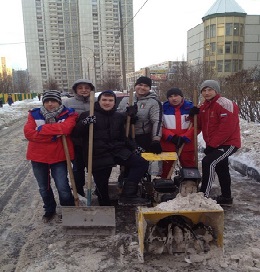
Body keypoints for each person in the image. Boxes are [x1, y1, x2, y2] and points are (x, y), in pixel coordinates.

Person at [72, 90, 150, 206]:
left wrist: (135, 147)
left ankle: (128, 194)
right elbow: (76, 134)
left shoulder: (118, 116)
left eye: (110, 100)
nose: (107, 103)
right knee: (102, 184)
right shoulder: (88, 115)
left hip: (116, 150)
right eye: (104, 100)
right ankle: (105, 205)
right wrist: (84, 123)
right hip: (97, 153)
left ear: (114, 103)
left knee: (141, 163)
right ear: (99, 101)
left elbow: (123, 137)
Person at [24, 90, 78, 222]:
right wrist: (54, 136)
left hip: (59, 156)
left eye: (53, 101)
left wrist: (41, 130)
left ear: (59, 101)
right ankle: (49, 209)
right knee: (43, 187)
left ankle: (68, 210)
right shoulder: (34, 114)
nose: (50, 104)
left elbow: (66, 128)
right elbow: (29, 133)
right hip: (38, 157)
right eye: (47, 101)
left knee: (63, 186)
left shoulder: (69, 113)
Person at [189, 80, 241, 205]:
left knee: (208, 162)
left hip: (228, 143)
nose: (206, 93)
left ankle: (204, 196)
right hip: (213, 143)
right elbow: (198, 125)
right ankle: (226, 198)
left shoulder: (225, 104)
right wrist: (192, 115)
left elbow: (227, 128)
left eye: (209, 90)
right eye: (204, 90)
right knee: (221, 168)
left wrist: (213, 144)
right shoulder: (203, 106)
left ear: (216, 90)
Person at [63, 79, 95, 197]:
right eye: (80, 88)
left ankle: (98, 189)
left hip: (94, 139)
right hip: (76, 140)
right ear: (76, 90)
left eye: (86, 88)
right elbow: (62, 117)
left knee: (95, 166)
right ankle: (79, 191)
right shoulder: (68, 102)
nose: (84, 90)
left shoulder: (96, 101)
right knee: (78, 168)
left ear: (91, 89)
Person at [118, 76, 163, 154]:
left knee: (141, 163)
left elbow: (157, 121)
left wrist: (156, 139)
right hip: (125, 136)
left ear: (149, 88)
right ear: (135, 86)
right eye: (140, 84)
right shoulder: (126, 99)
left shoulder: (153, 102)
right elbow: (116, 117)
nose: (142, 87)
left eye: (146, 86)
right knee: (126, 163)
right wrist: (126, 116)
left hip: (142, 138)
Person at [160, 88, 195, 178]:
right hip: (168, 143)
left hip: (186, 144)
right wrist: (171, 136)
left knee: (189, 168)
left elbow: (197, 125)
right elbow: (159, 126)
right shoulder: (162, 109)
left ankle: (190, 185)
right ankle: (165, 186)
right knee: (165, 169)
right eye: (170, 96)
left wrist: (185, 137)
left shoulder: (191, 108)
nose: (174, 98)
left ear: (182, 97)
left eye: (176, 96)